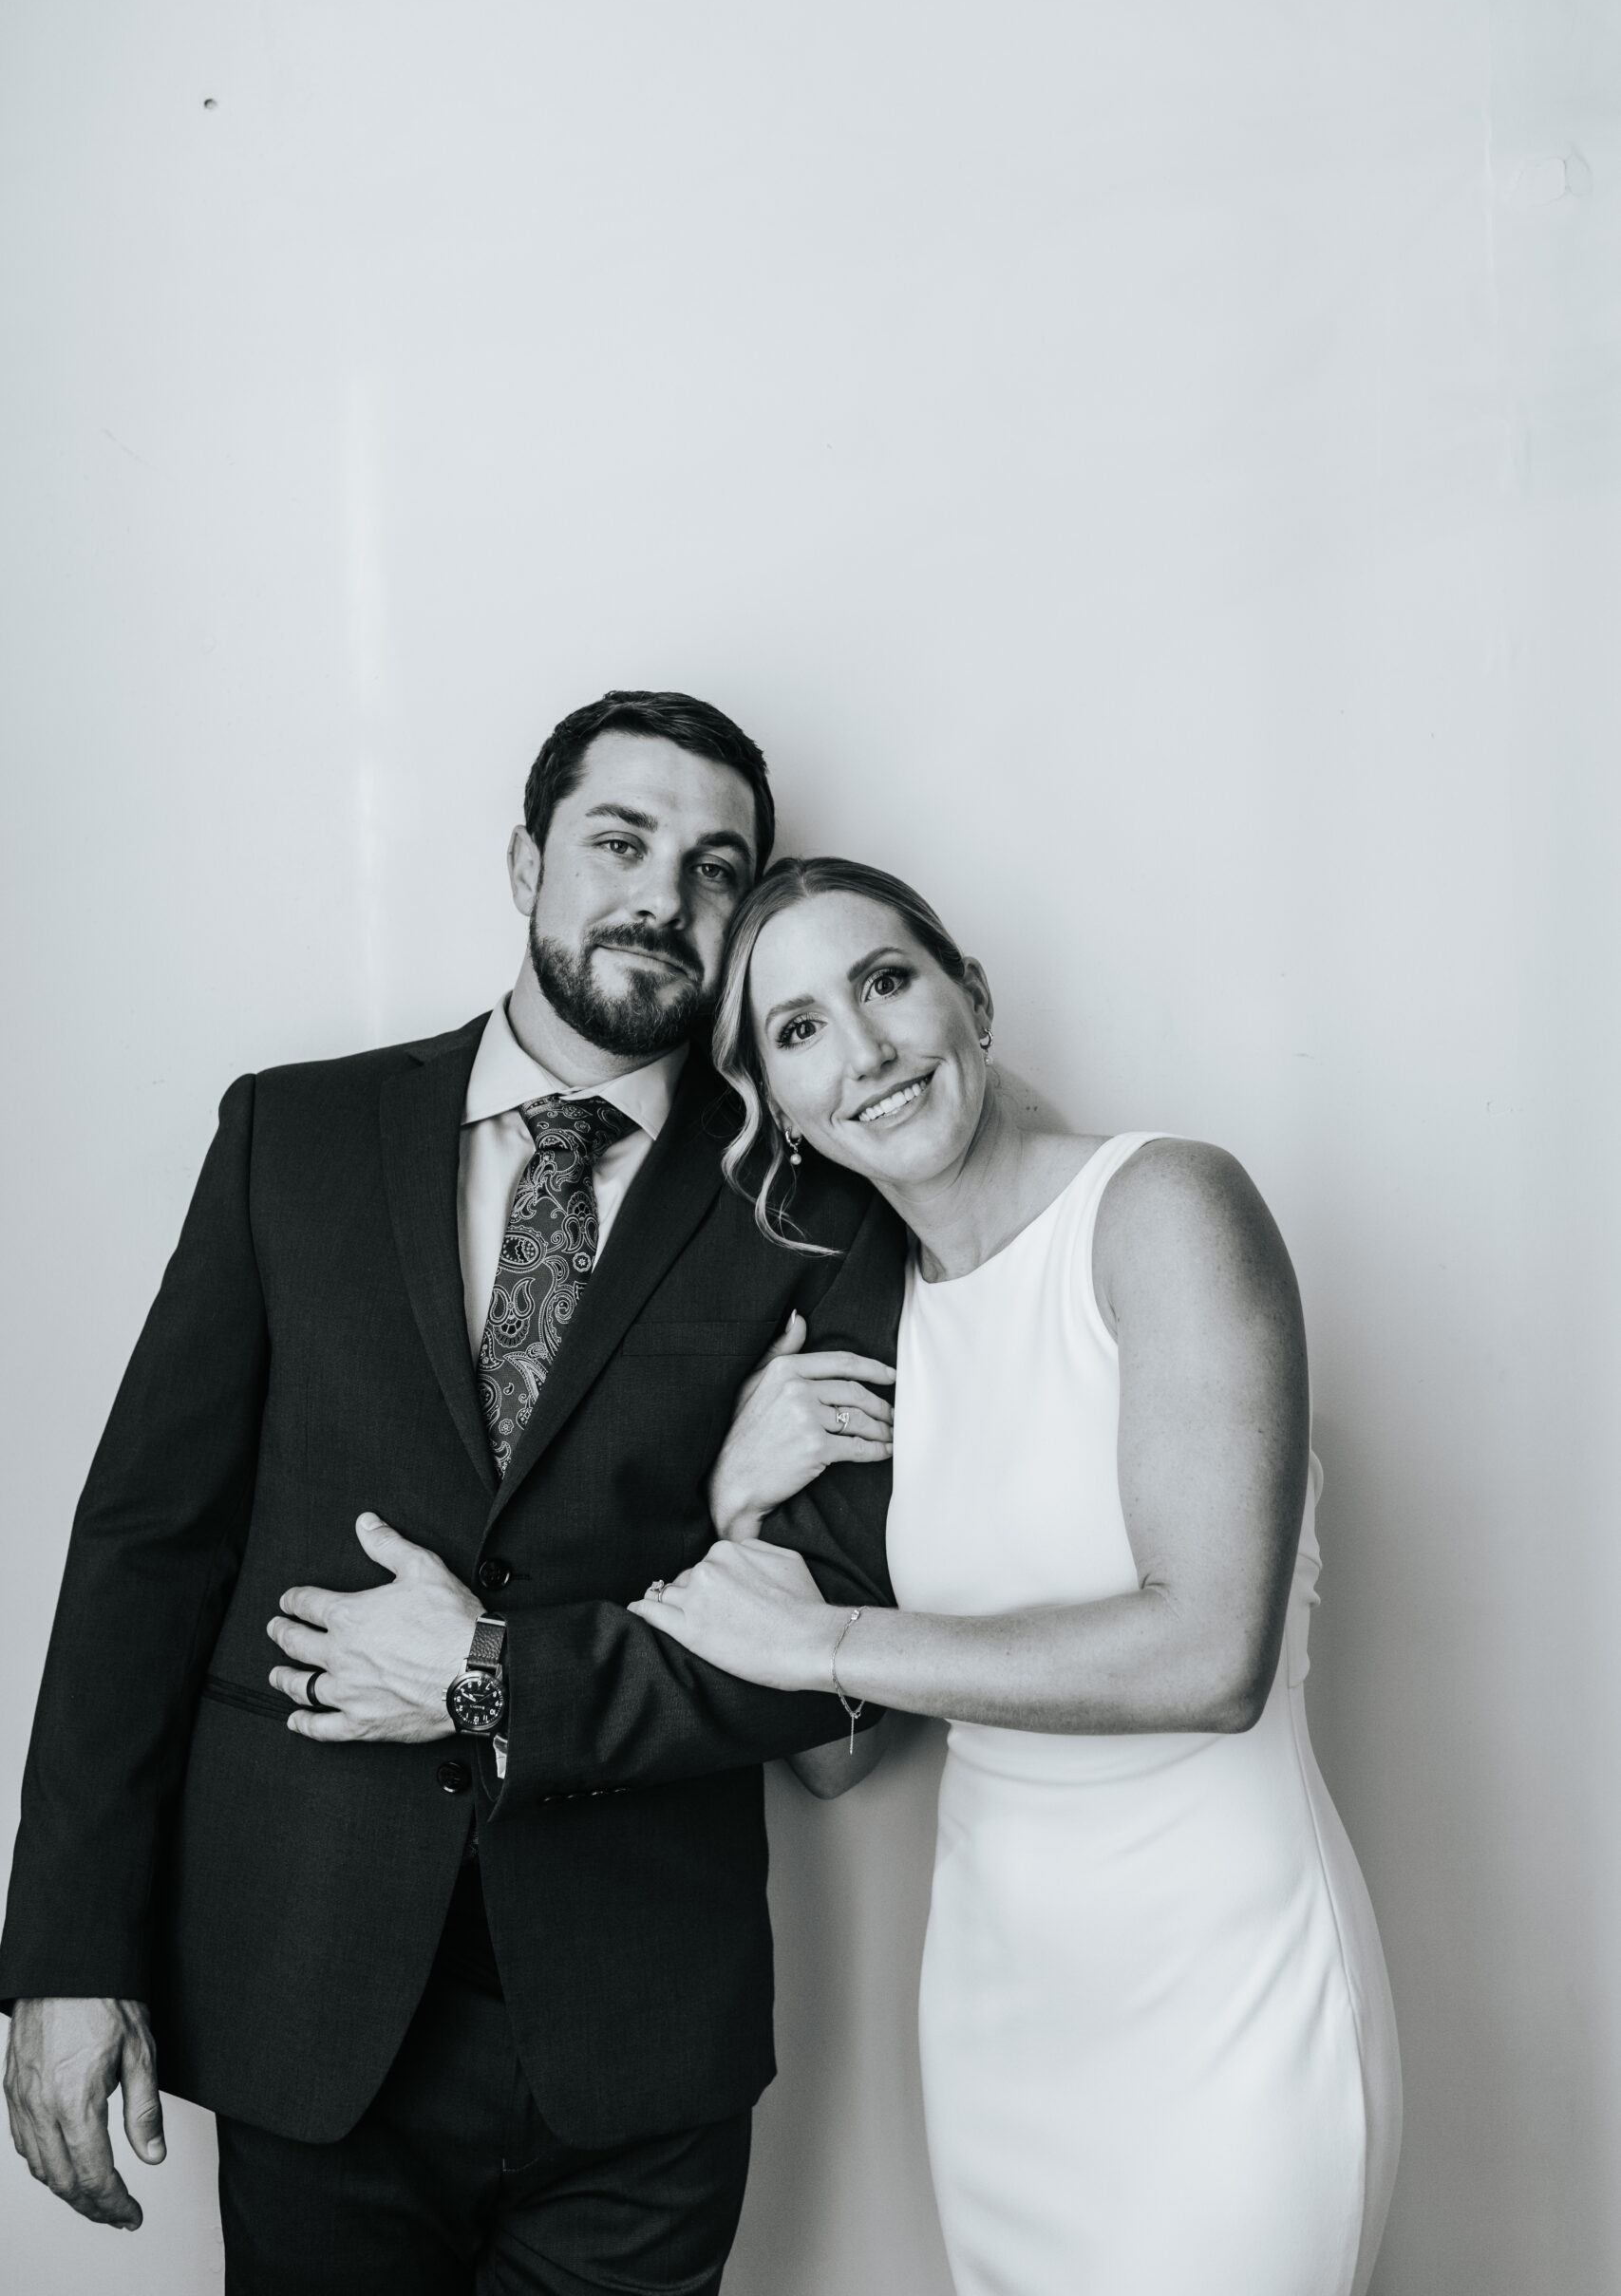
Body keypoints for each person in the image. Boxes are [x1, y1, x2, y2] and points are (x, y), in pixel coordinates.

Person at [0, 699, 903, 2296]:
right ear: (525, 860)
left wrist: (500, 1664)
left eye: (713, 870)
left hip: (640, 2040)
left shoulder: (816, 1201)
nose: (659, 897)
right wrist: (64, 1959)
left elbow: (837, 1654)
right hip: (305, 1998)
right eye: (618, 843)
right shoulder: (296, 1133)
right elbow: (145, 1547)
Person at [631, 855, 1404, 2296]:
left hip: (1226, 2001)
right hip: (1001, 2023)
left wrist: (836, 1644)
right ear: (775, 1110)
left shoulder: (1163, 1208)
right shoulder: (881, 1334)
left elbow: (1210, 1657)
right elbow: (836, 1771)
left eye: (884, 982)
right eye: (797, 1029)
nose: (860, 1052)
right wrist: (738, 1509)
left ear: (969, 998)